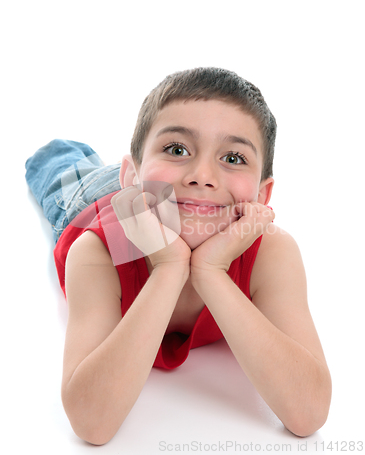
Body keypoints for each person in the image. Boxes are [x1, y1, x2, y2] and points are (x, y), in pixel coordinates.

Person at [25, 67, 331, 445]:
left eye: (233, 157)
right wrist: (169, 267)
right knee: (64, 174)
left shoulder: (273, 253)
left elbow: (309, 413)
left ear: (262, 196)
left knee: (168, 186)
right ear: (132, 175)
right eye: (177, 149)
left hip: (168, 195)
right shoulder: (97, 252)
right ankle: (67, 153)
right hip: (103, 201)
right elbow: (92, 422)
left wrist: (211, 271)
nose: (202, 174)